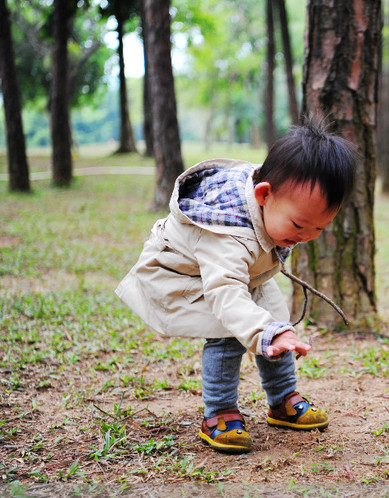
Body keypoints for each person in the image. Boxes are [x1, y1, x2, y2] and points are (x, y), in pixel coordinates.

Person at [115, 116, 359, 454]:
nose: (305, 237)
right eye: (299, 225)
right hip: (186, 275)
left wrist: (271, 331)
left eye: (319, 229)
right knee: (228, 333)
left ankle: (283, 399)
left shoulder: (279, 195)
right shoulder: (228, 234)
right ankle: (220, 413)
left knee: (276, 327)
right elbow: (226, 294)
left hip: (242, 273)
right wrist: (261, 330)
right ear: (263, 194)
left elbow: (247, 286)